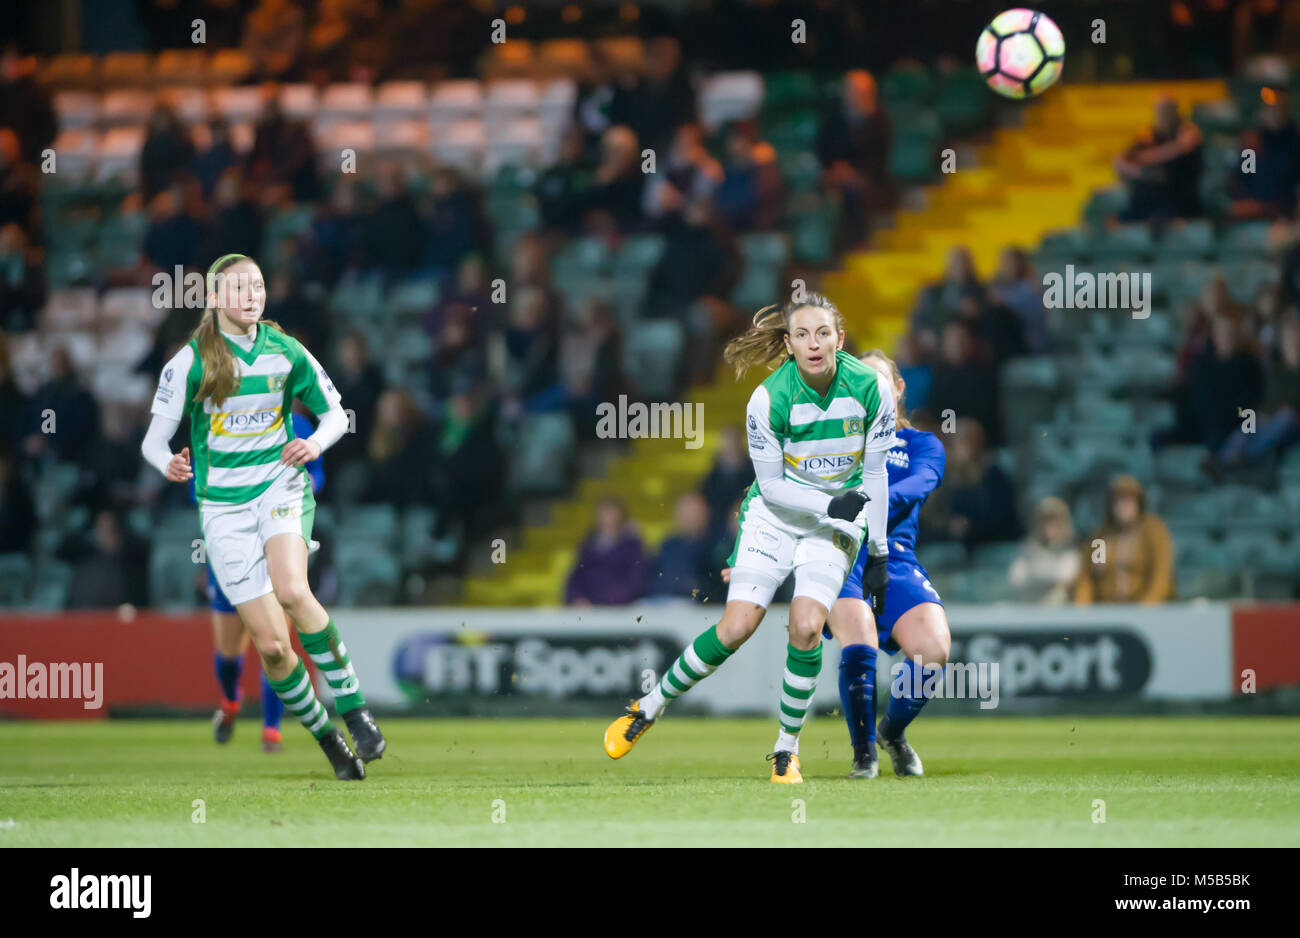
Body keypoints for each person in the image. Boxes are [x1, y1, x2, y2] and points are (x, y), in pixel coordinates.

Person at [603, 294, 895, 783]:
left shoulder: (871, 389)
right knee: (736, 628)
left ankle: (786, 750)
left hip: (837, 524)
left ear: (839, 339)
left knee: (805, 626)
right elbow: (774, 488)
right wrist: (828, 502)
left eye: (823, 333)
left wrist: (880, 553)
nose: (814, 343)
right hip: (776, 516)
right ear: (789, 343)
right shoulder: (768, 398)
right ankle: (648, 707)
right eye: (802, 334)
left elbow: (878, 474)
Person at [140, 253, 385, 781]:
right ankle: (330, 743)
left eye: (257, 285)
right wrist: (169, 462)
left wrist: (314, 444)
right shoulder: (189, 362)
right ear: (214, 298)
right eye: (239, 287)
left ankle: (357, 712)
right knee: (273, 649)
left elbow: (336, 415)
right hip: (224, 509)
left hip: (278, 486)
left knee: (293, 589)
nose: (251, 294)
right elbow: (153, 440)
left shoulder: (285, 350)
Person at [820, 350, 948, 778]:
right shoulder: (834, 443)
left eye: (879, 381)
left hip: (894, 561)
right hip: (842, 557)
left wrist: (867, 499)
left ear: (898, 387)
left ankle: (891, 732)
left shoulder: (921, 444)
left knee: (933, 649)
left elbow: (921, 484)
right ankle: (864, 755)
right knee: (861, 646)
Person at [207, 410, 323, 753]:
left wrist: (294, 490)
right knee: (229, 653)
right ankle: (230, 700)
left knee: (275, 645)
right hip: (231, 550)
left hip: (277, 542)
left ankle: (272, 728)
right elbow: (199, 486)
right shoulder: (214, 423)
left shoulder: (298, 426)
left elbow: (317, 473)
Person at [1074, 475, 1174, 604]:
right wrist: (1083, 607)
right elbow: (1090, 577)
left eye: (1129, 500)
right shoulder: (1101, 537)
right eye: (1118, 500)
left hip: (1145, 609)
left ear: (1139, 503)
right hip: (1108, 609)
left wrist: (1148, 605)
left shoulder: (1154, 531)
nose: (1124, 505)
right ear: (1110, 505)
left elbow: (1161, 574)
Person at [1114, 96, 1204, 223]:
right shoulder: (1153, 133)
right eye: (1159, 111)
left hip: (1182, 192)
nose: (1162, 115)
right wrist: (1136, 169)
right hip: (1156, 188)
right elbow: (1121, 159)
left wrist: (1142, 159)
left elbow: (1180, 147)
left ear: (1176, 111)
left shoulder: (1188, 130)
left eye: (1167, 111)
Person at [565, 496, 648, 606]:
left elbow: (636, 580)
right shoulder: (587, 546)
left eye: (611, 512)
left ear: (621, 515)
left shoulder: (633, 546)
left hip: (620, 608)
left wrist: (611, 601)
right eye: (603, 513)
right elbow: (575, 578)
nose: (607, 517)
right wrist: (576, 598)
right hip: (590, 608)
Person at [1008, 496, 1081, 604]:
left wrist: (1034, 571)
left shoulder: (1070, 549)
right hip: (1030, 610)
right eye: (1045, 521)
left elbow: (1065, 575)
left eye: (1054, 522)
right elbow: (1015, 579)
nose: (1049, 527)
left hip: (1060, 612)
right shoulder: (1028, 548)